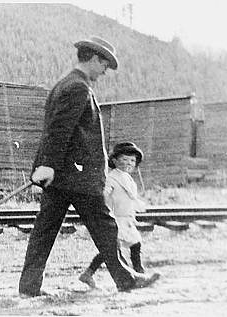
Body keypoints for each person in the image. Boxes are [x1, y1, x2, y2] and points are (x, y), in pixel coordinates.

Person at [18, 36, 160, 297]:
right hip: (77, 176)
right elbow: (59, 129)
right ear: (94, 59)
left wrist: (49, 165)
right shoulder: (77, 88)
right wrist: (48, 164)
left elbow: (57, 130)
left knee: (45, 230)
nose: (106, 71)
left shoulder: (66, 84)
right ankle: (126, 279)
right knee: (105, 227)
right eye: (105, 64)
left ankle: (29, 286)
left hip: (64, 175)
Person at [79, 142, 153, 288]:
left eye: (132, 160)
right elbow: (104, 193)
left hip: (127, 219)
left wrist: (136, 209)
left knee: (135, 244)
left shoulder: (129, 179)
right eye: (124, 160)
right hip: (116, 218)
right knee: (112, 250)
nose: (128, 163)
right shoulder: (112, 177)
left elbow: (129, 198)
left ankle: (139, 272)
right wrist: (105, 209)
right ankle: (136, 274)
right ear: (114, 161)